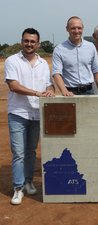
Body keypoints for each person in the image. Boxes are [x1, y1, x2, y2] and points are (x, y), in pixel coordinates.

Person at [4, 28, 55, 205]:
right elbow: (14, 86)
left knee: (31, 151)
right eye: (26, 41)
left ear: (38, 44)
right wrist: (37, 93)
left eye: (33, 41)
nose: (29, 44)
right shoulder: (12, 60)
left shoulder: (43, 64)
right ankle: (18, 188)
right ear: (21, 41)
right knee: (18, 153)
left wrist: (49, 91)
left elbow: (50, 86)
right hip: (18, 113)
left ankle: (28, 181)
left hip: (36, 115)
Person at [52, 16, 98, 96]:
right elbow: (57, 73)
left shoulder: (91, 47)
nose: (76, 31)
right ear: (67, 29)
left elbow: (96, 70)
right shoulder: (59, 49)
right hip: (69, 93)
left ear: (83, 28)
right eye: (73, 28)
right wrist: (64, 91)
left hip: (89, 91)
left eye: (79, 28)